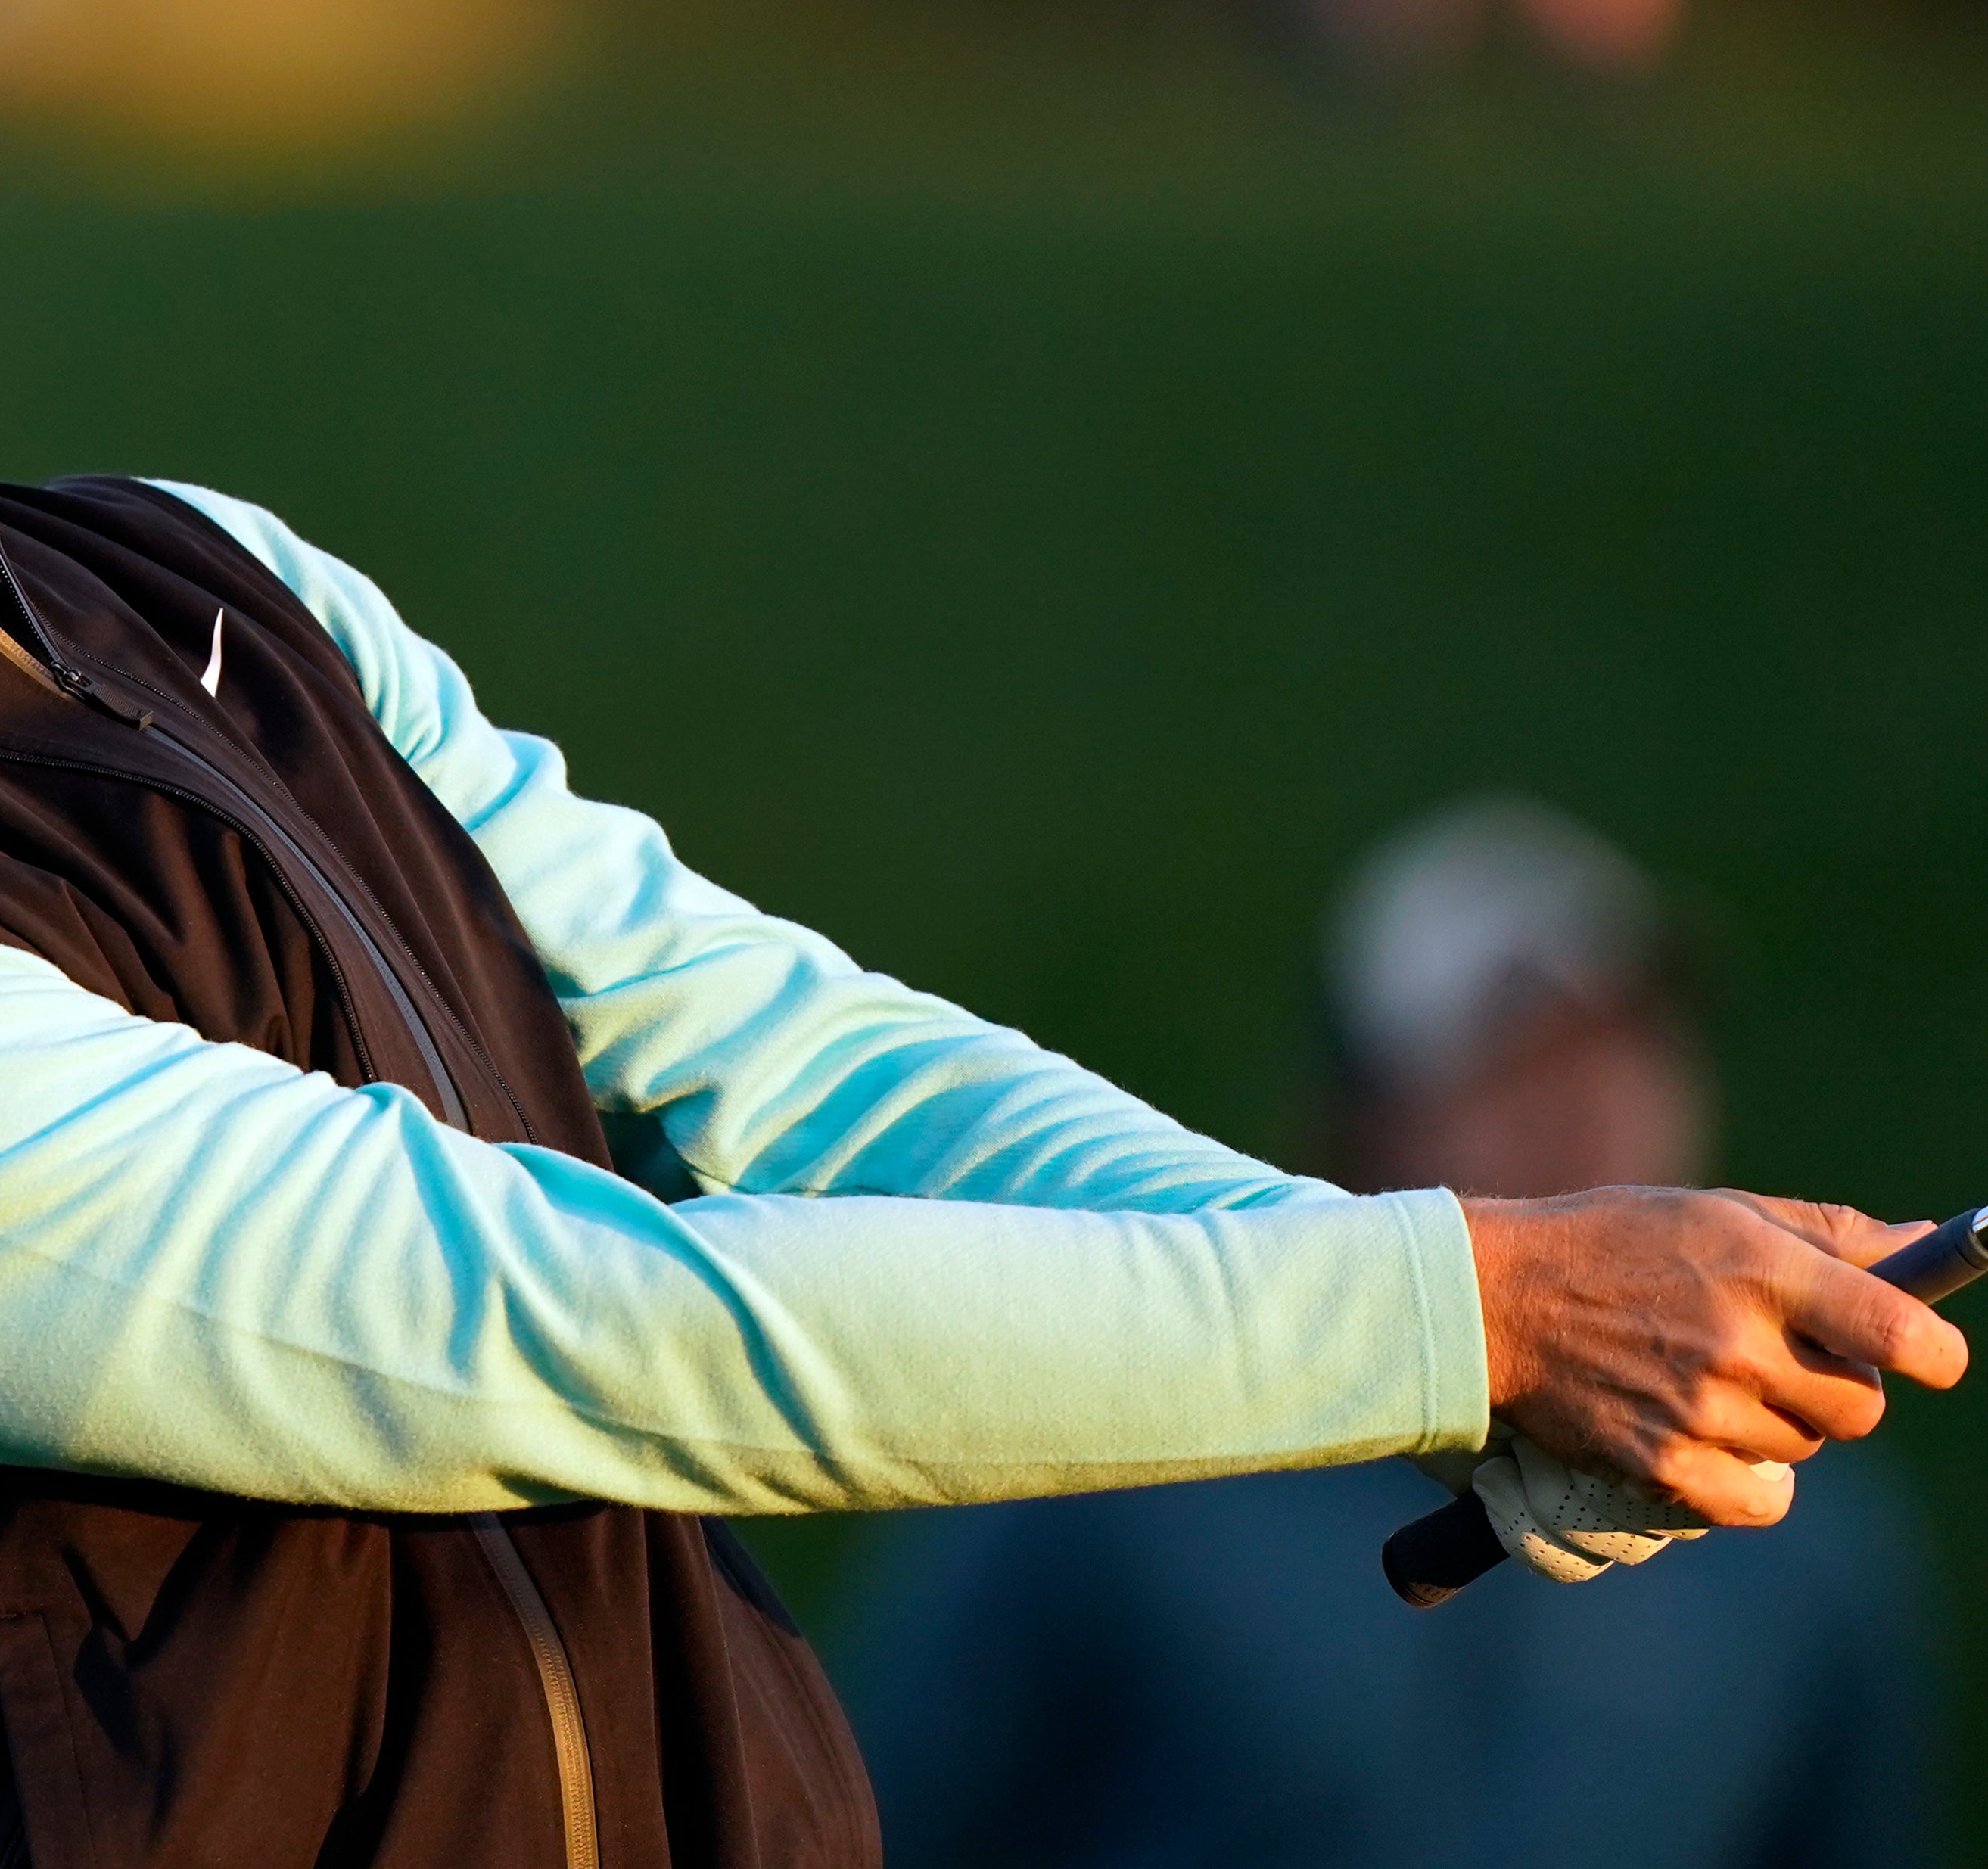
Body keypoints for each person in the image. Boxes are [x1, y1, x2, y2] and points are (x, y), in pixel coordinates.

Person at [0, 0, 1963, 1869]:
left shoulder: (200, 576)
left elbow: (770, 1053)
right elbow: (601, 1327)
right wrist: (1468, 1307)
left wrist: (1431, 1366)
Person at [831, 798, 1939, 1869]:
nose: (1594, 1099)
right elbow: (899, 1824)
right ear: (1360, 1110)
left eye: (1631, 1045)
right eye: (1519, 1056)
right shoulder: (1109, 1452)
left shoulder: (1798, 1520)